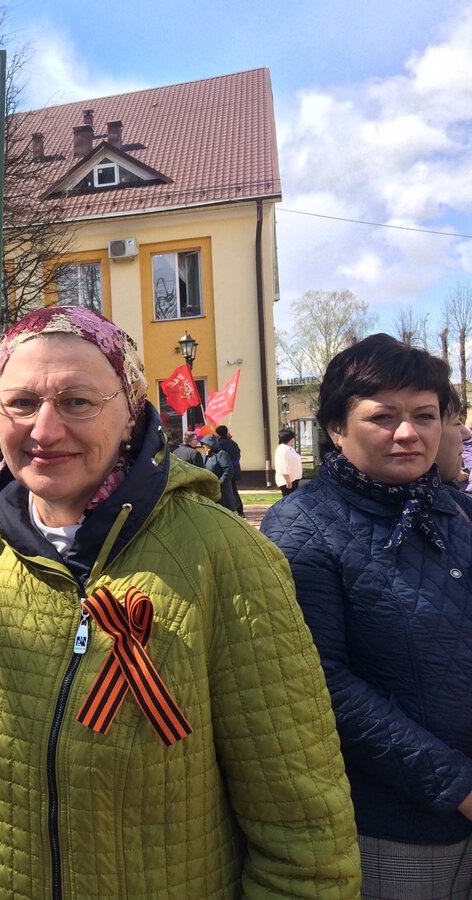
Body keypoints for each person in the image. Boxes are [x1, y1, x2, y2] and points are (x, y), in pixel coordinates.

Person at [0, 306, 360, 897]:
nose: (45, 430)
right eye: (23, 403)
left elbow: (303, 834)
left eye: (78, 402)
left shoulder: (223, 555)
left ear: (132, 413)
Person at [261, 334, 472, 895]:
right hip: (394, 830)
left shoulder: (455, 510)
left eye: (425, 415)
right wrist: (456, 786)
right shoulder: (303, 527)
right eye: (384, 417)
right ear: (335, 427)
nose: (408, 433)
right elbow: (322, 684)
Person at [199, 433, 239, 513]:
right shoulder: (204, 456)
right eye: (202, 444)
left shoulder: (221, 454)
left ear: (211, 444)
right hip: (208, 490)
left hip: (222, 490)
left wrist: (219, 482)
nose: (203, 446)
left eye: (205, 444)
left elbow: (228, 470)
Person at [214, 425, 244, 515]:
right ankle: (239, 510)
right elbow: (238, 454)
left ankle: (236, 509)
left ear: (218, 435)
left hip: (226, 470)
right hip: (235, 468)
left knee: (229, 491)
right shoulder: (233, 443)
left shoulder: (220, 445)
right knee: (234, 490)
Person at [273, 428, 304, 495]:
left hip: (293, 480)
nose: (293, 440)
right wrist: (288, 481)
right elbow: (283, 466)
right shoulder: (283, 449)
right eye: (292, 438)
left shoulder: (289, 448)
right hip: (287, 481)